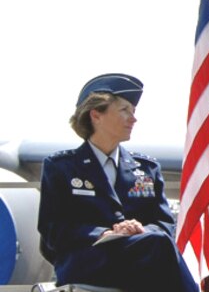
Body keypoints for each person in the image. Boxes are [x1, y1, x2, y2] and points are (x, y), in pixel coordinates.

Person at [37, 73, 197, 292]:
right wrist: (106, 233)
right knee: (158, 247)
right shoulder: (62, 167)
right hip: (88, 260)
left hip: (141, 255)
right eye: (124, 110)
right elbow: (54, 231)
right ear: (96, 115)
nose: (133, 119)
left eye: (133, 112)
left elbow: (164, 225)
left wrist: (138, 229)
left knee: (158, 242)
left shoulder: (146, 169)